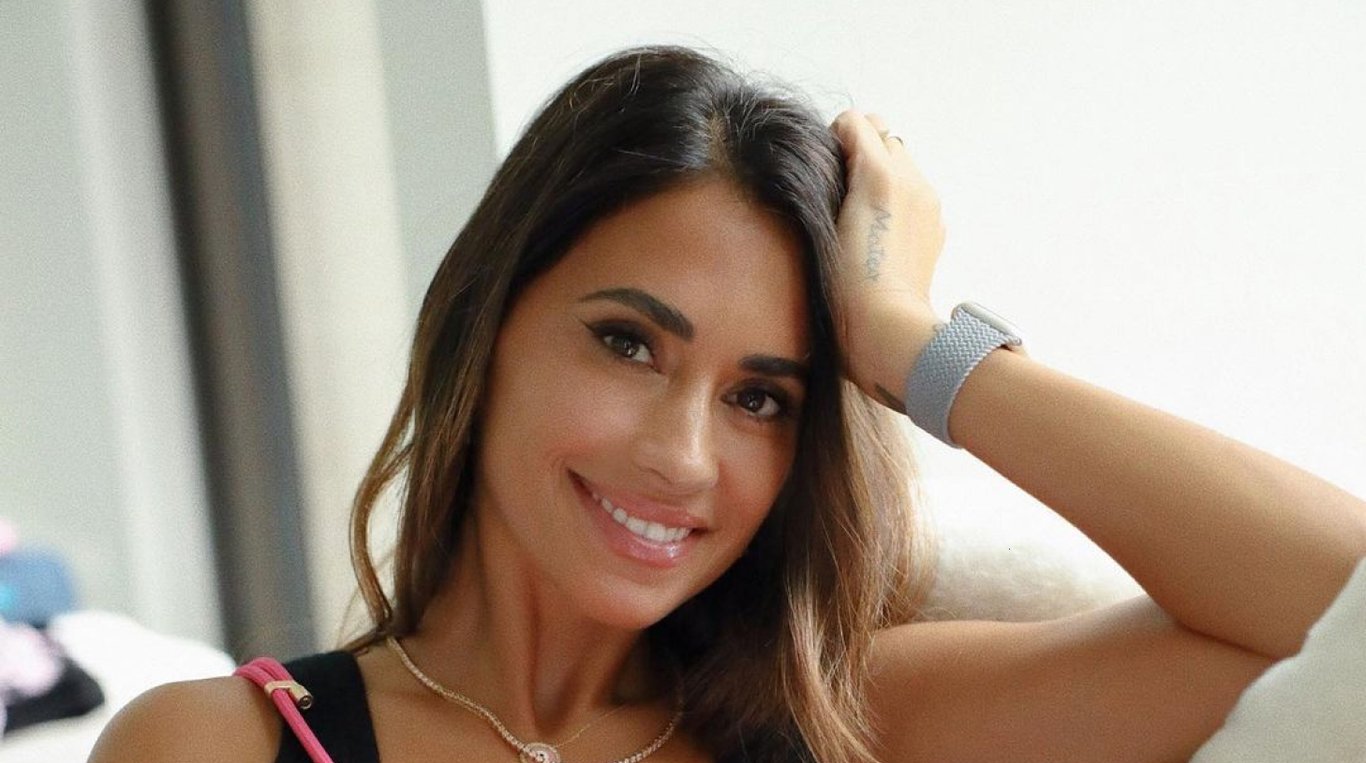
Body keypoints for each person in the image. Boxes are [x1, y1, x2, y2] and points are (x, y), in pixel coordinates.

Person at [90, 45, 1366, 763]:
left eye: (761, 396)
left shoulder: (859, 724)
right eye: (627, 343)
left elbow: (1338, 618)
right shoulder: (217, 746)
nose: (683, 455)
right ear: (486, 323)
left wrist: (907, 341)